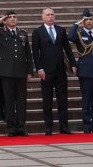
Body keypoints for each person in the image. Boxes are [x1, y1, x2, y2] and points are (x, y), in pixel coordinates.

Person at [0, 11, 33, 136]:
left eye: (14, 17)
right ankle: (11, 127)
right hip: (6, 72)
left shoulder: (22, 33)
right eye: (9, 17)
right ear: (5, 20)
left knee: (22, 100)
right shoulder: (0, 32)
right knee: (9, 100)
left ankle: (21, 127)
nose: (12, 19)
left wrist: (30, 71)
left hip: (21, 71)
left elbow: (28, 52)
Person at [31, 7, 75, 135]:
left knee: (62, 99)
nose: (50, 17)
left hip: (60, 69)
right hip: (46, 70)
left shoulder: (61, 30)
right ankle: (49, 127)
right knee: (47, 99)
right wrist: (39, 68)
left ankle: (64, 126)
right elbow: (35, 52)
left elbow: (67, 48)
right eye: (48, 15)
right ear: (43, 17)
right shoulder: (38, 32)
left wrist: (73, 63)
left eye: (52, 14)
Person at [70, 10, 93, 133]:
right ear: (83, 21)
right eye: (86, 20)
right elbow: (69, 37)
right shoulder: (79, 34)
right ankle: (87, 125)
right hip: (85, 71)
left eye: (90, 19)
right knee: (86, 99)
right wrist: (76, 24)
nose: (89, 22)